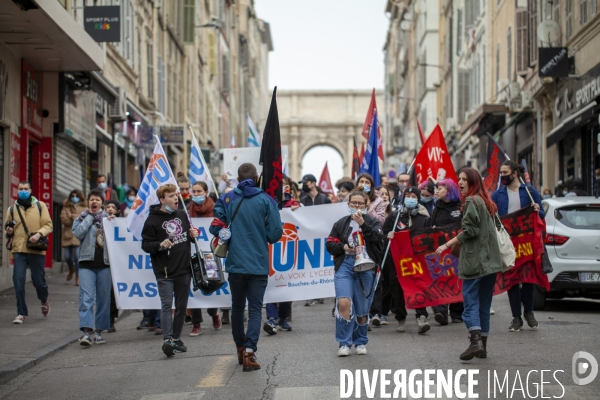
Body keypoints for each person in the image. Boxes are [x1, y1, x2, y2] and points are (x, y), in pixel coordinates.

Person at [210, 163, 282, 372]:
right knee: (255, 309)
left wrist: (227, 231)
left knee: (238, 308)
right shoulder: (267, 200)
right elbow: (275, 234)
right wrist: (261, 233)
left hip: (236, 263)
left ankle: (240, 348)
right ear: (257, 177)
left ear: (238, 179)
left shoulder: (226, 198)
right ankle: (250, 352)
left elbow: (215, 226)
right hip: (258, 264)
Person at [435, 167, 504, 360]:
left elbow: (471, 231)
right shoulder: (486, 202)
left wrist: (447, 244)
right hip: (490, 261)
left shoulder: (473, 201)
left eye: (465, 179)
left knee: (471, 302)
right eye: (459, 179)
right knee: (483, 303)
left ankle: (475, 342)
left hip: (475, 260)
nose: (461, 183)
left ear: (474, 182)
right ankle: (483, 345)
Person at [141, 184, 199, 357]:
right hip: (164, 271)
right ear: (162, 200)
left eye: (176, 195)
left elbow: (189, 233)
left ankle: (176, 338)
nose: (176, 198)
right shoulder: (152, 220)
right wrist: (159, 245)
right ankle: (168, 340)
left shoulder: (182, 214)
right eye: (171, 196)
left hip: (184, 268)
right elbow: (145, 244)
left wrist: (192, 234)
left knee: (181, 306)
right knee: (167, 305)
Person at [326, 190, 384, 356]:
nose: (357, 206)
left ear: (366, 205)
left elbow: (379, 239)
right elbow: (330, 244)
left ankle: (360, 340)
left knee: (362, 308)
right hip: (345, 264)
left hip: (367, 266)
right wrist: (343, 247)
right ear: (348, 204)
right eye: (354, 203)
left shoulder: (372, 221)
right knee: (344, 303)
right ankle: (344, 343)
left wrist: (364, 224)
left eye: (360, 203)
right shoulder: (341, 223)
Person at [491, 160, 545, 332]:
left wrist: (537, 209)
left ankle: (529, 312)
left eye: (505, 172)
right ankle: (516, 317)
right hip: (508, 244)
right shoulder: (497, 194)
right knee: (512, 280)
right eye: (501, 172)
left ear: (514, 173)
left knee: (528, 278)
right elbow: (492, 216)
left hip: (527, 243)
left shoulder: (530, 191)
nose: (502, 175)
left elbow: (542, 214)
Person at [383, 186, 431, 334]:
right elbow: (384, 234)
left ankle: (421, 316)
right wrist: (388, 236)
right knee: (397, 288)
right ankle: (400, 319)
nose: (410, 198)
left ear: (418, 199)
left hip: (417, 261)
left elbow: (430, 238)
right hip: (397, 261)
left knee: (418, 286)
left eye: (413, 196)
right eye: (407, 196)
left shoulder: (424, 217)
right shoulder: (395, 216)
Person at [4, 181, 53, 324]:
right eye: (20, 189)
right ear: (17, 191)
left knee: (39, 281)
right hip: (19, 249)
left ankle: (44, 299)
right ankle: (20, 313)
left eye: (26, 189)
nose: (23, 191)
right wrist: (9, 232)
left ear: (30, 190)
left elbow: (48, 225)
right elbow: (8, 230)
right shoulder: (12, 209)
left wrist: (38, 234)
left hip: (36, 249)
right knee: (18, 281)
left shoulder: (40, 206)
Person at [72, 191, 116, 345]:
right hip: (86, 264)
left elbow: (117, 236)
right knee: (86, 298)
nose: (94, 202)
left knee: (103, 299)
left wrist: (112, 222)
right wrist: (90, 217)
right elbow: (78, 233)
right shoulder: (81, 218)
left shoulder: (109, 219)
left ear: (102, 203)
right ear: (88, 202)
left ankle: (99, 332)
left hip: (105, 265)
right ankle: (86, 333)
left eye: (97, 199)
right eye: (92, 199)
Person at [187, 180, 222, 336]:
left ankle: (214, 313)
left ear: (206, 192)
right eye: (193, 191)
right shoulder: (188, 211)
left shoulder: (215, 210)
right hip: (194, 252)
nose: (196, 194)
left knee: (211, 284)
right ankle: (196, 323)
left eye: (199, 191)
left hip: (210, 253)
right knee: (195, 286)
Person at [263, 178, 297, 335]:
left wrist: (299, 213)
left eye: (282, 184)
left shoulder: (294, 205)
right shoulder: (266, 202)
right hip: (270, 247)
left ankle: (283, 318)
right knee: (271, 283)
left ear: (287, 187)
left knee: (286, 286)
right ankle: (271, 317)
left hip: (288, 248)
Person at [430, 179, 464, 325]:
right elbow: (431, 224)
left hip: (457, 249)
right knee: (442, 279)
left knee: (456, 279)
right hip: (441, 250)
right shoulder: (437, 207)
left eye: (440, 188)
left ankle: (457, 313)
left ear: (449, 190)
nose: (437, 191)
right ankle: (441, 313)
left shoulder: (461, 206)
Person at [60, 189, 87, 286]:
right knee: (67, 256)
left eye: (77, 196)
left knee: (77, 256)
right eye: (73, 196)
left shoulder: (84, 206)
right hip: (68, 234)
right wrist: (76, 217)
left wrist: (71, 216)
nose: (74, 198)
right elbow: (63, 219)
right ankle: (71, 268)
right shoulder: (66, 206)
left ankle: (77, 276)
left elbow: (85, 218)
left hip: (78, 234)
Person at [104, 200, 121, 333]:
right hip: (104, 262)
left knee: (113, 293)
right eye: (107, 207)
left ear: (118, 211)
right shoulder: (100, 222)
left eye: (113, 207)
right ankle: (106, 319)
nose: (110, 209)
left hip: (118, 263)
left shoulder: (122, 224)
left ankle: (111, 319)